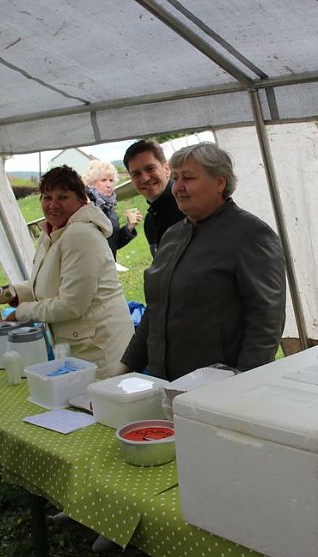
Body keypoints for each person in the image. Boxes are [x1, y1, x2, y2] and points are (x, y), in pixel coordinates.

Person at [120, 142, 287, 381]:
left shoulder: (252, 235)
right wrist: (125, 368)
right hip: (164, 382)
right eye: (176, 178)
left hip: (215, 387)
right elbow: (156, 311)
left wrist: (243, 382)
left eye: (188, 178)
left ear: (220, 182)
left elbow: (266, 322)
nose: (178, 188)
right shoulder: (173, 235)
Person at [0, 165, 133, 378]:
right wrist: (15, 292)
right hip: (80, 347)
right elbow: (52, 282)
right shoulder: (53, 232)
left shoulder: (80, 235)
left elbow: (71, 305)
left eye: (63, 197)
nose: (53, 205)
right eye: (47, 197)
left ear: (81, 200)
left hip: (101, 350)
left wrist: (21, 312)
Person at [123, 140, 185, 257]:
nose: (145, 178)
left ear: (167, 169)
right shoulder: (150, 221)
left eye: (150, 168)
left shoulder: (189, 207)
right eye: (136, 174)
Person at [83, 159, 141, 259]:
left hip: (108, 267)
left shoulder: (109, 207)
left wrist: (129, 227)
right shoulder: (86, 206)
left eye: (111, 180)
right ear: (92, 183)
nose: (109, 185)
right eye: (104, 180)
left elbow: (114, 244)